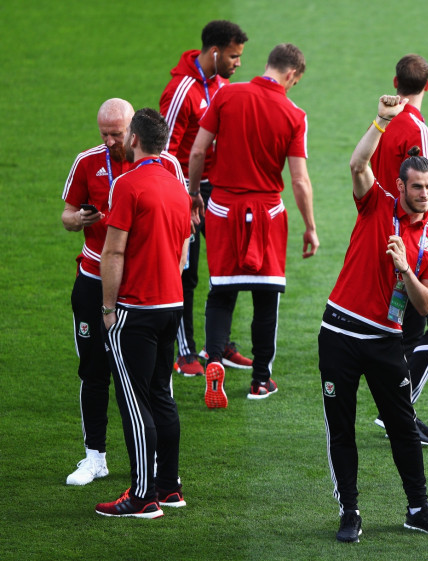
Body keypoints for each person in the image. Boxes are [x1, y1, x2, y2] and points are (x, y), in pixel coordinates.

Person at [319, 95, 428, 543]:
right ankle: (350, 511)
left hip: (384, 341)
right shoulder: (375, 202)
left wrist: (405, 269)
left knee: (402, 425)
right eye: (417, 187)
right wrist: (380, 121)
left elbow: (427, 305)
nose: (424, 194)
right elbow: (358, 164)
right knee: (342, 427)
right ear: (399, 186)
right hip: (339, 332)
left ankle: (418, 508)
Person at [61, 99, 185, 486]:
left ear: (133, 131)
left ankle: (156, 473)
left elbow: (181, 227)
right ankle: (95, 457)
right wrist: (78, 219)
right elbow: (66, 216)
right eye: (105, 134)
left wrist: (172, 272)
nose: (111, 141)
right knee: (93, 370)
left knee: (151, 384)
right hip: (95, 279)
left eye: (117, 134)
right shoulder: (87, 162)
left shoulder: (166, 165)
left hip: (139, 290)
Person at [188, 43, 319, 405]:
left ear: (268, 64)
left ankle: (214, 361)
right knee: (266, 299)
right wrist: (310, 226)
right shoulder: (294, 114)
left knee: (221, 294)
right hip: (267, 214)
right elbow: (299, 180)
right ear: (292, 74)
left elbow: (198, 151)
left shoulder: (227, 96)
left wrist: (194, 193)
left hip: (223, 208)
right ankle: (260, 380)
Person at [95, 108, 192, 518]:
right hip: (172, 306)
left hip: (136, 309)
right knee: (161, 397)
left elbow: (114, 250)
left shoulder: (128, 185)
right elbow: (184, 249)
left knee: (135, 403)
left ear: (134, 139)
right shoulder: (177, 186)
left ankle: (142, 497)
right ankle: (169, 487)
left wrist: (107, 306)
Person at [369, 54, 428, 443]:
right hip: (416, 240)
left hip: (384, 233)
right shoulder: (416, 129)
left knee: (408, 328)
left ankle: (399, 412)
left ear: (395, 80)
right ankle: (397, 412)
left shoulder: (384, 125)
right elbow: (425, 192)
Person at [160, 20, 250, 377]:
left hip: (219, 190)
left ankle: (219, 344)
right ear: (215, 51)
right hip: (185, 189)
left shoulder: (223, 87)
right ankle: (183, 353)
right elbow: (164, 152)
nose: (238, 63)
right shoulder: (181, 90)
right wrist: (183, 196)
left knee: (230, 268)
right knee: (188, 272)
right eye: (234, 55)